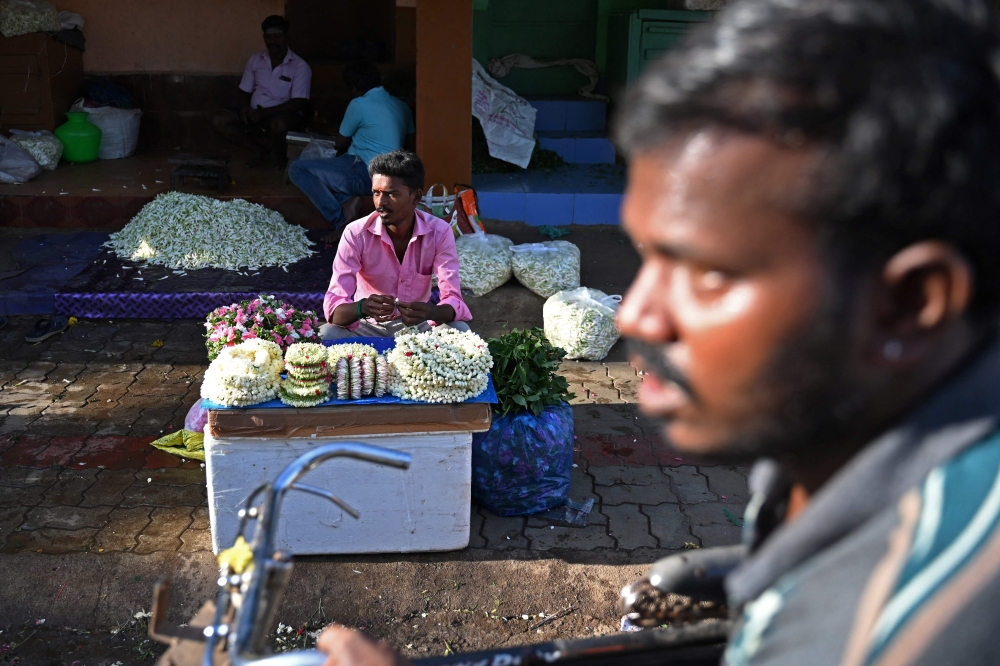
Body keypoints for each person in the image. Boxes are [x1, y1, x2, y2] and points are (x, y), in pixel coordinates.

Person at [317, 0, 1000, 663]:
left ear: (911, 303)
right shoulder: (829, 460)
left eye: (704, 270)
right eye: (649, 259)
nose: (639, 317)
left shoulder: (925, 624)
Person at [319, 150, 471, 341]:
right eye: (376, 193)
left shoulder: (439, 233)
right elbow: (334, 308)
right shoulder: (355, 233)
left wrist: (430, 312)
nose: (380, 203)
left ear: (416, 197)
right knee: (326, 334)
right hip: (367, 326)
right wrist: (362, 307)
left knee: (461, 331)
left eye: (391, 194)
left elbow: (454, 300)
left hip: (418, 328)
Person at [289, 60, 415, 242]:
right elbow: (409, 143)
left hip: (365, 173)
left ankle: (341, 221)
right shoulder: (401, 106)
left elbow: (339, 144)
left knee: (297, 168)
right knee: (337, 169)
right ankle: (349, 199)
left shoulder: (359, 104)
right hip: (394, 177)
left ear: (354, 87)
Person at [212, 15, 312, 167]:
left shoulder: (299, 66)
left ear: (286, 37)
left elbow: (298, 103)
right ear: (264, 38)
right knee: (220, 120)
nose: (273, 41)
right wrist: (245, 109)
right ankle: (260, 151)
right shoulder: (256, 59)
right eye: (269, 37)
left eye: (277, 36)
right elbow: (244, 91)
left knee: (279, 124)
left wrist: (263, 114)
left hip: (282, 116)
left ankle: (277, 158)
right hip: (255, 113)